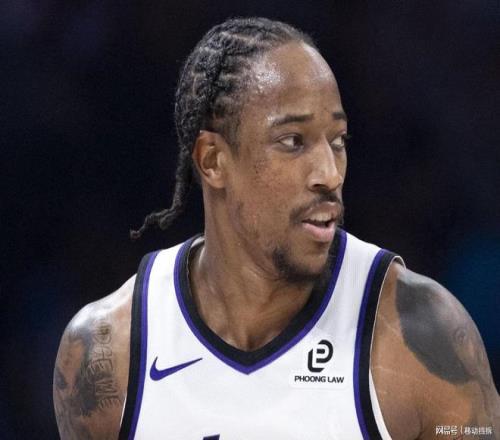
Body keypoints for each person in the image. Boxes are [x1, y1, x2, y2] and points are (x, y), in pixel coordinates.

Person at [53, 17, 500, 440]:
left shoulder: (421, 336)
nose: (330, 173)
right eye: (293, 141)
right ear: (212, 160)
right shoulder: (107, 354)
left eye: (338, 141)